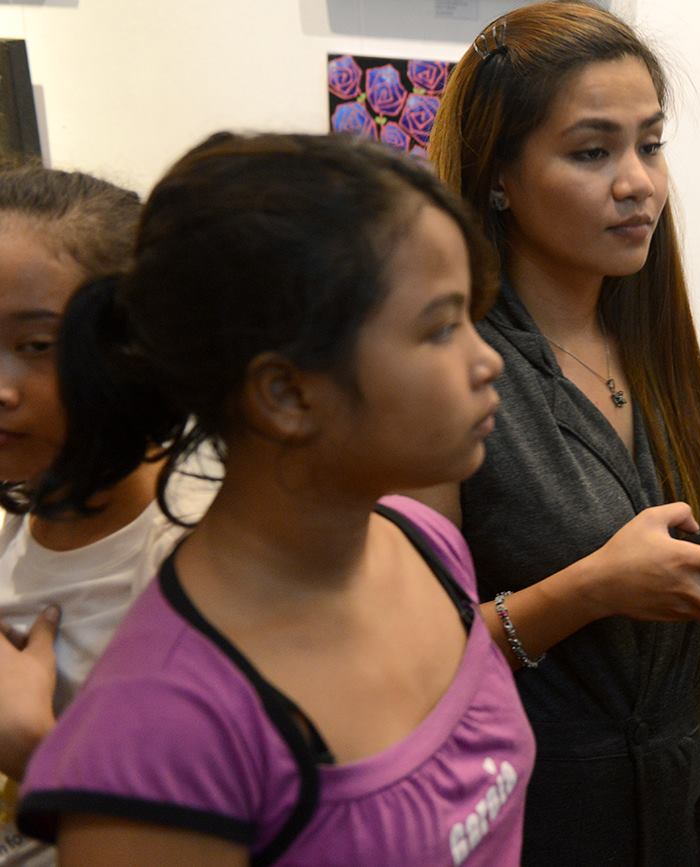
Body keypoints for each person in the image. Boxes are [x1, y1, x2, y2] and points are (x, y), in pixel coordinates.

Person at [15, 132, 534, 866]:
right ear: (286, 393)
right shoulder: (162, 727)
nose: (488, 361)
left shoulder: (426, 543)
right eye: (441, 327)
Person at [425, 3, 700, 863]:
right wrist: (593, 588)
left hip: (682, 815)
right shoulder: (449, 370)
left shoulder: (652, 344)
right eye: (592, 152)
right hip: (524, 820)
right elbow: (411, 663)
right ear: (499, 176)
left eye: (650, 145)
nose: (638, 183)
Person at [0, 165, 214, 866]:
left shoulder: (190, 552)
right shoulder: (32, 496)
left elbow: (211, 822)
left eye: (35, 347)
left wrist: (33, 747)